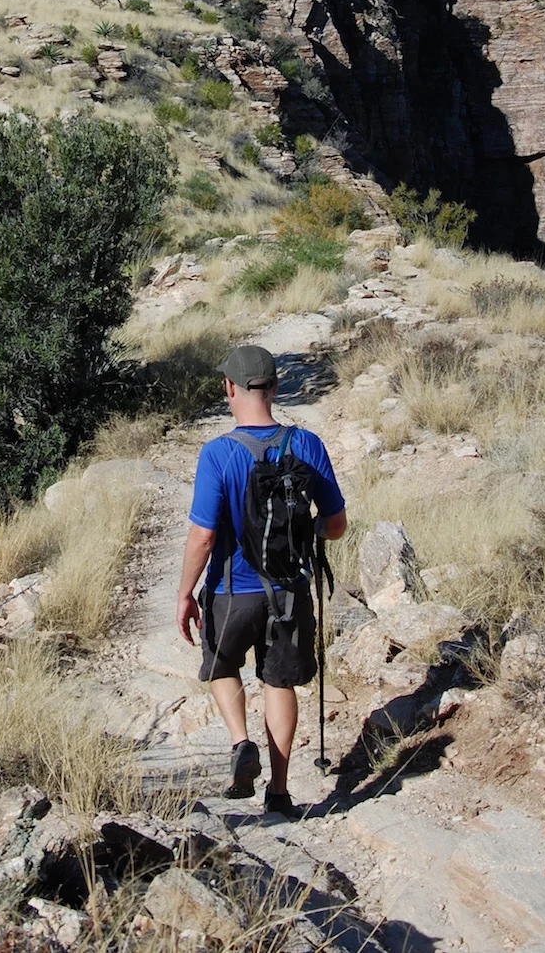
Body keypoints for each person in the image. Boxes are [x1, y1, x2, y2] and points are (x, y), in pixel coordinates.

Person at [175, 344, 347, 818]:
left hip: (233, 593)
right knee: (279, 683)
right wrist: (309, 531)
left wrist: (186, 593)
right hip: (290, 591)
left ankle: (240, 742)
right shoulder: (306, 445)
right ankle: (281, 790)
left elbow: (204, 537)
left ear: (229, 388)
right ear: (273, 387)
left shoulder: (218, 454)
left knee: (222, 667)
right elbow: (335, 524)